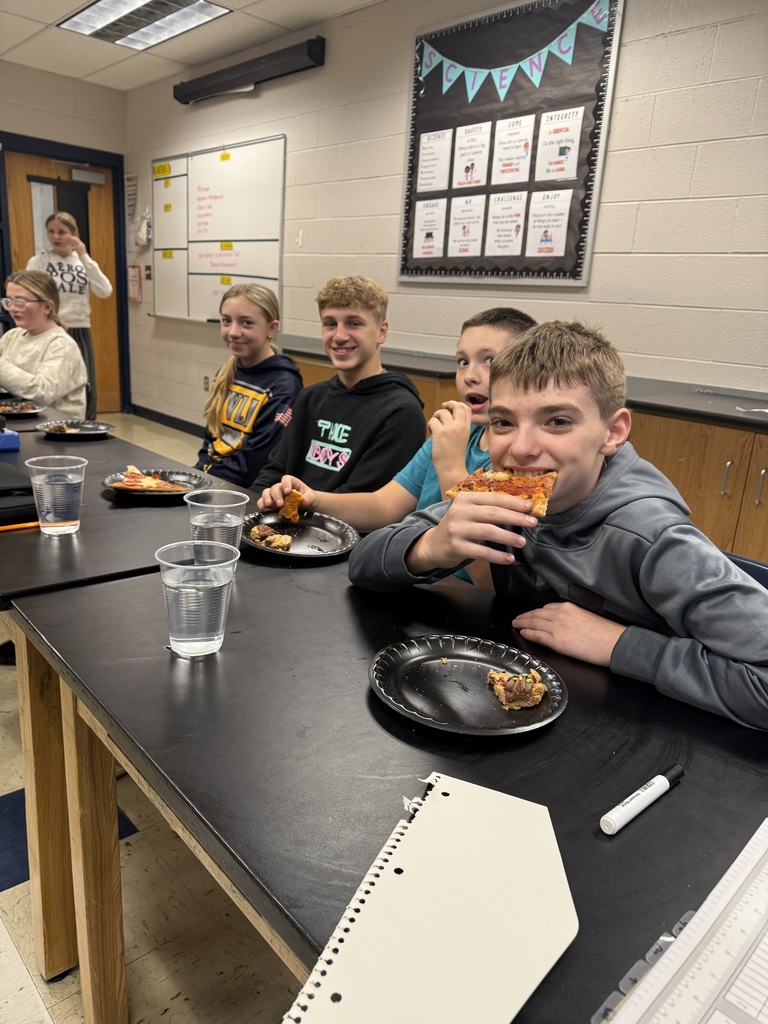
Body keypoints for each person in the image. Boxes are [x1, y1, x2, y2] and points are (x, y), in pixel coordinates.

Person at [348, 321, 768, 730]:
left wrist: (620, 645)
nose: (522, 448)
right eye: (503, 422)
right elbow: (363, 565)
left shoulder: (653, 539)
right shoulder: (507, 496)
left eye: (558, 422)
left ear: (613, 432)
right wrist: (432, 546)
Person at [257, 308, 536, 548]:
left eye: (489, 361)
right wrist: (314, 499)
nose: (470, 376)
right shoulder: (454, 434)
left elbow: (489, 555)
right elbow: (384, 506)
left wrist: (450, 466)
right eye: (462, 361)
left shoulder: (524, 454)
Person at [252, 276, 426, 493]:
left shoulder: (401, 412)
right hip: (289, 521)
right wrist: (262, 500)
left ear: (382, 332)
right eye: (330, 324)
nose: (340, 336)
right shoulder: (310, 398)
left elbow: (366, 501)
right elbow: (274, 471)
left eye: (354, 323)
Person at [195, 284, 303, 486]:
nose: (233, 332)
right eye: (226, 321)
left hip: (245, 492)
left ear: (271, 328)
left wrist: (207, 481)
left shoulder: (284, 386)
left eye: (246, 323)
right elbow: (211, 441)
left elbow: (258, 462)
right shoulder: (228, 371)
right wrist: (198, 474)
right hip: (212, 480)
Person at [26, 211, 112, 419]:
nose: (56, 237)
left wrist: (84, 255)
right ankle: (48, 424)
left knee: (84, 382)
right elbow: (28, 295)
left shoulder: (83, 262)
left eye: (62, 232)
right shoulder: (39, 261)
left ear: (73, 234)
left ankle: (88, 425)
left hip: (79, 329)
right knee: (50, 383)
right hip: (50, 331)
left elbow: (105, 290)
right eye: (51, 232)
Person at [0, 271, 88, 418]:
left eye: (20, 302)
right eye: (9, 301)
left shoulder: (61, 345)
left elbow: (43, 392)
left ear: (47, 307)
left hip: (55, 430)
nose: (13, 308)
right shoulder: (12, 336)